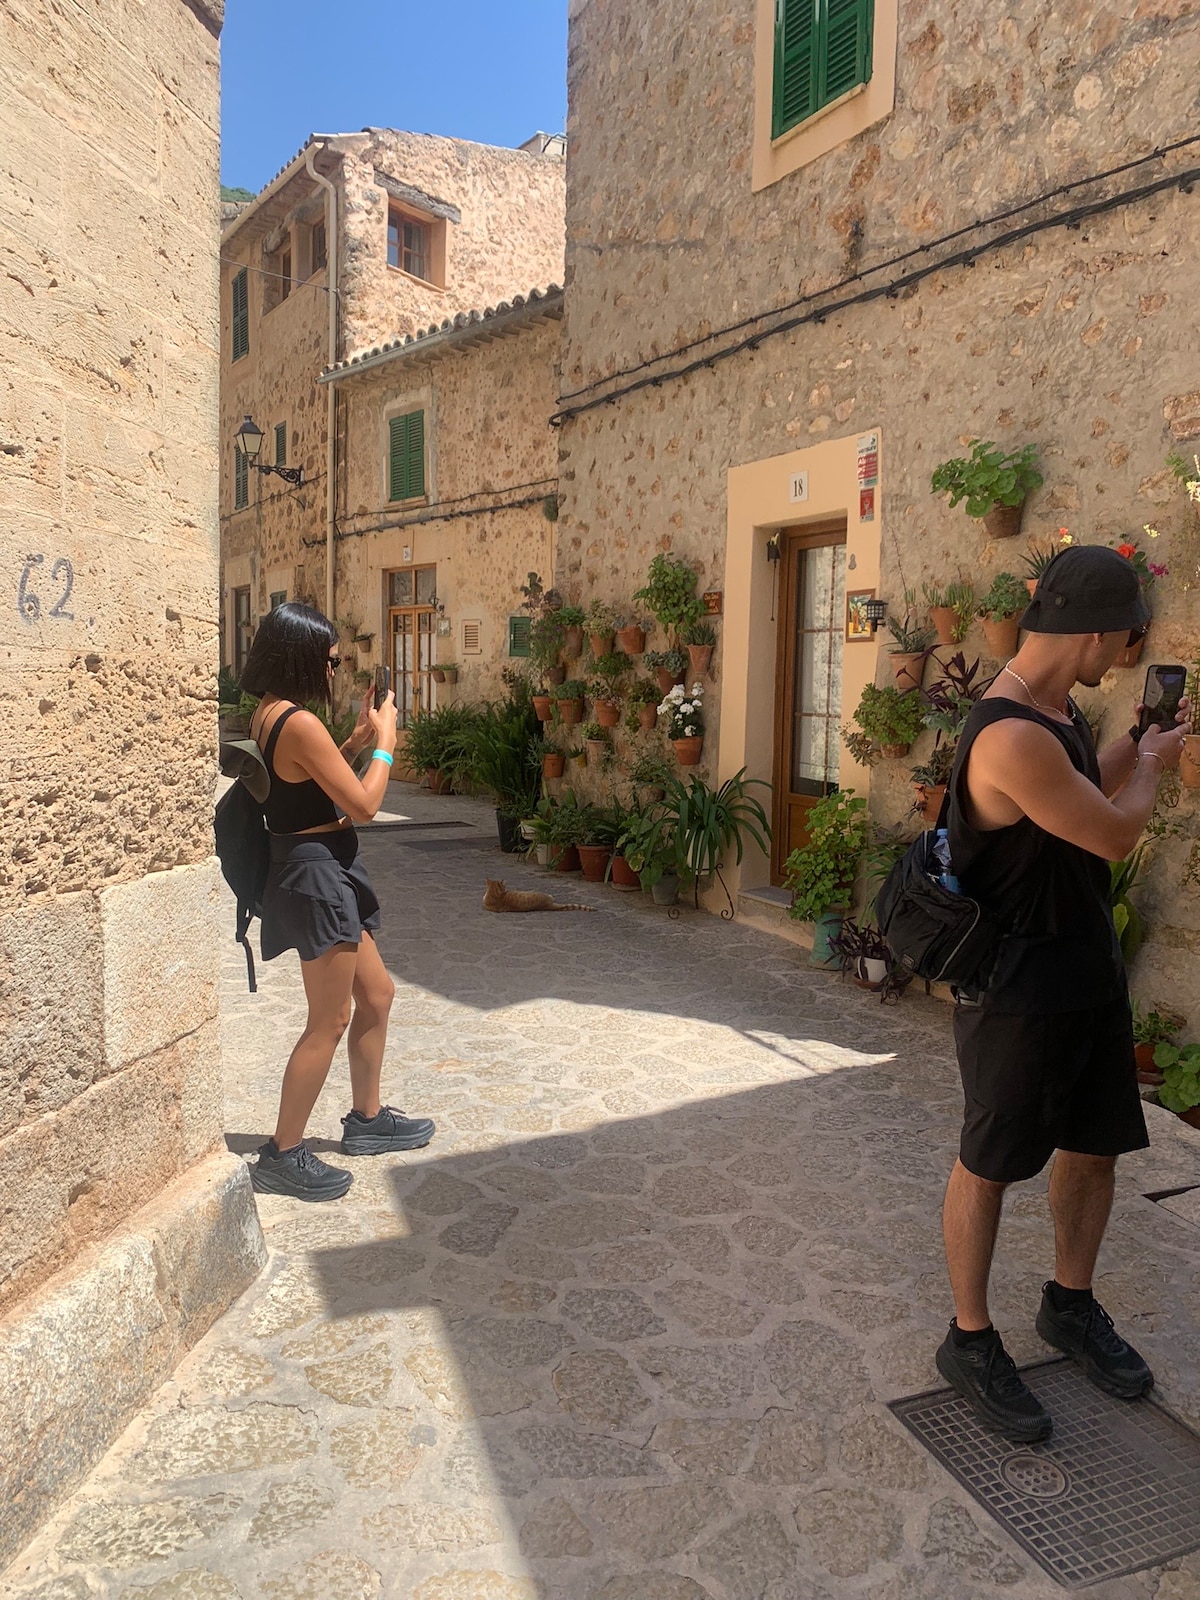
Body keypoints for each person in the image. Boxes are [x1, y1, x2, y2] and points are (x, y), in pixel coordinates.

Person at [935, 544, 1191, 1441]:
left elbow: (1083, 792)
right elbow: (1114, 836)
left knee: (1094, 1148)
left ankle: (1068, 1305)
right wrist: (1158, 769)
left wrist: (1136, 743)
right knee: (990, 1164)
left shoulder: (1057, 711)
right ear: (1091, 630)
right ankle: (968, 1340)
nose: (1123, 658)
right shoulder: (1008, 734)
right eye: (1121, 643)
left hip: (1082, 976)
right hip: (1016, 991)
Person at [239, 603, 434, 1202]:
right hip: (317, 877)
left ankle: (368, 1121)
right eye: (329, 659)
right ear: (302, 658)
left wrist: (352, 740)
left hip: (328, 867)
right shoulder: (296, 722)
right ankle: (282, 1152)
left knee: (377, 992)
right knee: (329, 1019)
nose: (335, 668)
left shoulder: (273, 713)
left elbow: (315, 787)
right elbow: (368, 805)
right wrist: (386, 744)